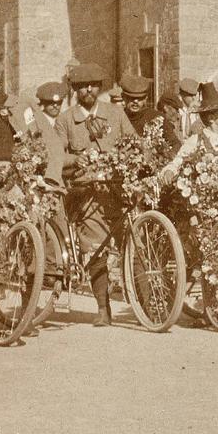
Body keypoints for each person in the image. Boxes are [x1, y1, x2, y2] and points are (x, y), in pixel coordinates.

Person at [59, 62, 135, 326]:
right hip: (87, 194)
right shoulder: (66, 119)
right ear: (75, 90)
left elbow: (133, 143)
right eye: (82, 87)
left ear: (100, 88)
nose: (88, 91)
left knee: (134, 245)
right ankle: (103, 307)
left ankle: (145, 304)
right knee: (95, 250)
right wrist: (75, 160)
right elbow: (57, 155)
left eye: (92, 86)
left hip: (118, 191)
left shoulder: (115, 114)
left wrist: (131, 158)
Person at [159, 76, 203, 149]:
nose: (194, 99)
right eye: (191, 96)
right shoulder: (175, 111)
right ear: (182, 95)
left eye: (195, 96)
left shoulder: (197, 111)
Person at [119, 74, 164, 139]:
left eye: (140, 98)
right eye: (131, 98)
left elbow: (176, 144)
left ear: (146, 98)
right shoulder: (118, 117)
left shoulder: (156, 117)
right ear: (123, 97)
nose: (136, 101)